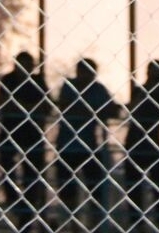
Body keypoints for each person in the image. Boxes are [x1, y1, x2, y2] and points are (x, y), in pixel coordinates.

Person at [54, 57, 119, 230]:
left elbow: (112, 109)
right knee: (67, 190)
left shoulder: (98, 89)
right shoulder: (69, 86)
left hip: (89, 146)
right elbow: (67, 107)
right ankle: (72, 225)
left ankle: (94, 225)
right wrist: (93, 110)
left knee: (96, 189)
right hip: (67, 145)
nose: (87, 76)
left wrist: (90, 110)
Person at [0, 50, 53, 230]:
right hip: (12, 130)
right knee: (8, 166)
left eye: (28, 65)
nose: (25, 68)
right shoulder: (8, 80)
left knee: (32, 173)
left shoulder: (37, 81)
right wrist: (30, 108)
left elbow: (46, 106)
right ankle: (17, 203)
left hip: (31, 133)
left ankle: (26, 215)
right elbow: (6, 104)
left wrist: (21, 106)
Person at [120, 59, 159, 231]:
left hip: (152, 139)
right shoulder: (140, 90)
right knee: (134, 184)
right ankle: (138, 223)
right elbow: (132, 108)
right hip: (136, 139)